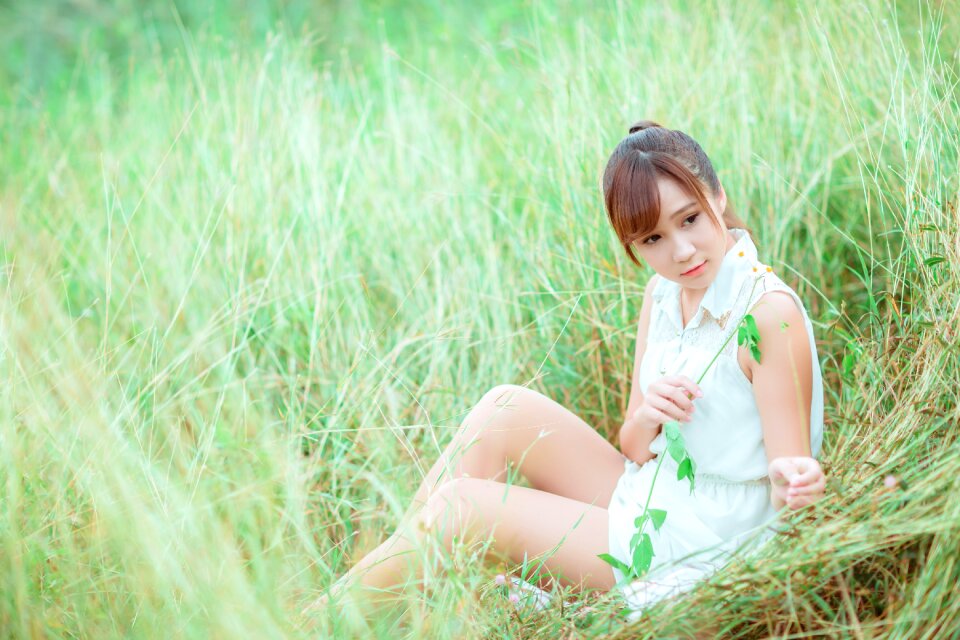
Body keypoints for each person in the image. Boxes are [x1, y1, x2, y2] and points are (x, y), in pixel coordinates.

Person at [304, 120, 826, 621]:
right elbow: (634, 446)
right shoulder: (664, 293)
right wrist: (649, 414)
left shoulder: (767, 315)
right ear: (634, 245)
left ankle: (319, 620)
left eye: (689, 219)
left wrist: (797, 482)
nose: (681, 251)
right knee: (503, 408)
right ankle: (390, 586)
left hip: (707, 544)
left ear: (718, 196)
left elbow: (787, 492)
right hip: (655, 495)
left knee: (459, 508)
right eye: (653, 240)